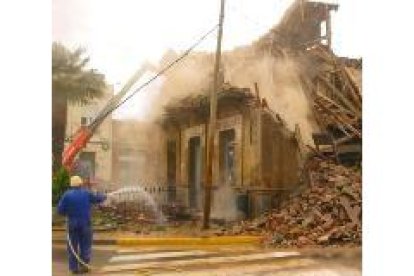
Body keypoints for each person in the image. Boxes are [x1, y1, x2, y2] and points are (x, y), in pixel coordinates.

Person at [57, 175, 107, 274]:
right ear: (80, 184)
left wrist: (68, 213)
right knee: (85, 245)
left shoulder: (66, 195)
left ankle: (74, 269)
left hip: (72, 224)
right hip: (85, 224)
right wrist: (104, 195)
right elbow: (98, 199)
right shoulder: (86, 193)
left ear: (71, 185)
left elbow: (60, 210)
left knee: (72, 247)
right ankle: (84, 266)